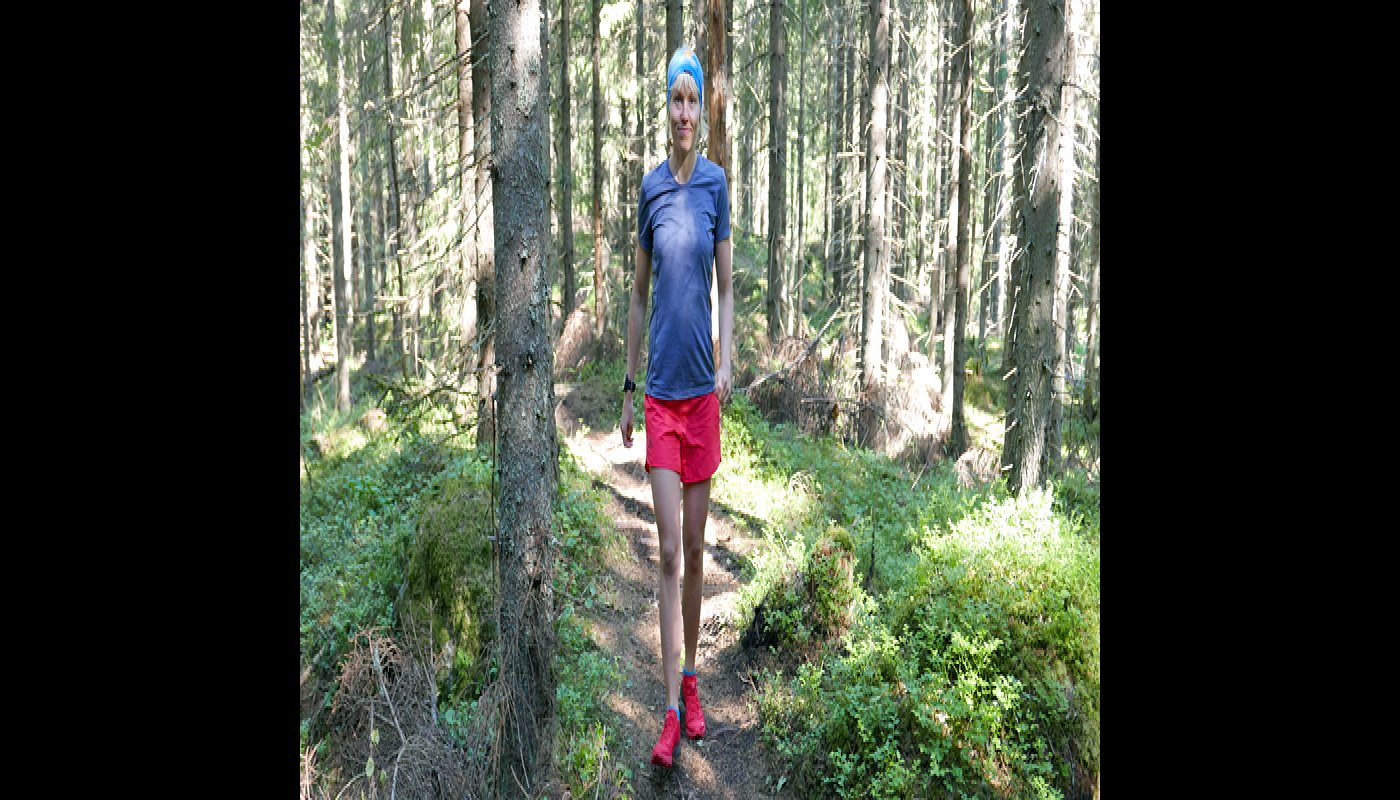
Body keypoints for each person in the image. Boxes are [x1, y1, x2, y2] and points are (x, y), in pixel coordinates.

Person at [619, 43, 734, 769]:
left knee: (695, 552)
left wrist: (727, 359)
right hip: (661, 398)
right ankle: (667, 709)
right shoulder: (651, 190)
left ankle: (692, 679)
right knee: (665, 553)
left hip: (703, 399)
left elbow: (727, 285)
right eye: (675, 100)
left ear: (702, 111)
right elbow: (637, 293)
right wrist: (628, 387)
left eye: (692, 101)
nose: (684, 112)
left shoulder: (717, 186)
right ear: (663, 109)